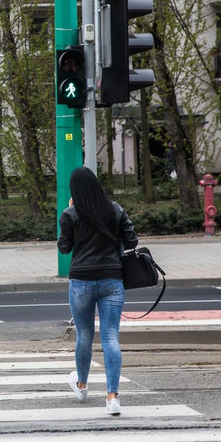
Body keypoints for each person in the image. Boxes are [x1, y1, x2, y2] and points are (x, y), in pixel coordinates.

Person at [57, 166, 138, 416]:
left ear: (75, 191)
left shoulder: (70, 214)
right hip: (112, 279)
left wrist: (72, 212)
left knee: (83, 333)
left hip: (81, 281)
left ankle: (82, 385)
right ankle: (112, 397)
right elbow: (132, 240)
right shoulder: (114, 209)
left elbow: (64, 248)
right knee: (111, 335)